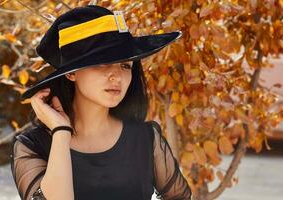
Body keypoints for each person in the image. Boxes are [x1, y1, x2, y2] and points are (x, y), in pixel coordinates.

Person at [10, 4, 192, 200]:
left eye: (125, 65)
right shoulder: (32, 145)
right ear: (71, 72)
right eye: (103, 62)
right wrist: (61, 132)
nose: (117, 76)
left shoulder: (145, 138)